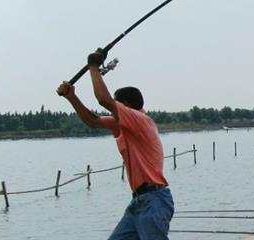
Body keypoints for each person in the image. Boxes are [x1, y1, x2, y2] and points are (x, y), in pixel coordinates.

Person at [57, 48, 173, 240]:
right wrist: (72, 96)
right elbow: (92, 121)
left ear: (126, 105)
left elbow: (104, 100)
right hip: (139, 202)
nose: (113, 111)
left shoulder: (140, 120)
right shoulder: (124, 124)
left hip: (154, 200)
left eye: (117, 105)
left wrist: (93, 66)